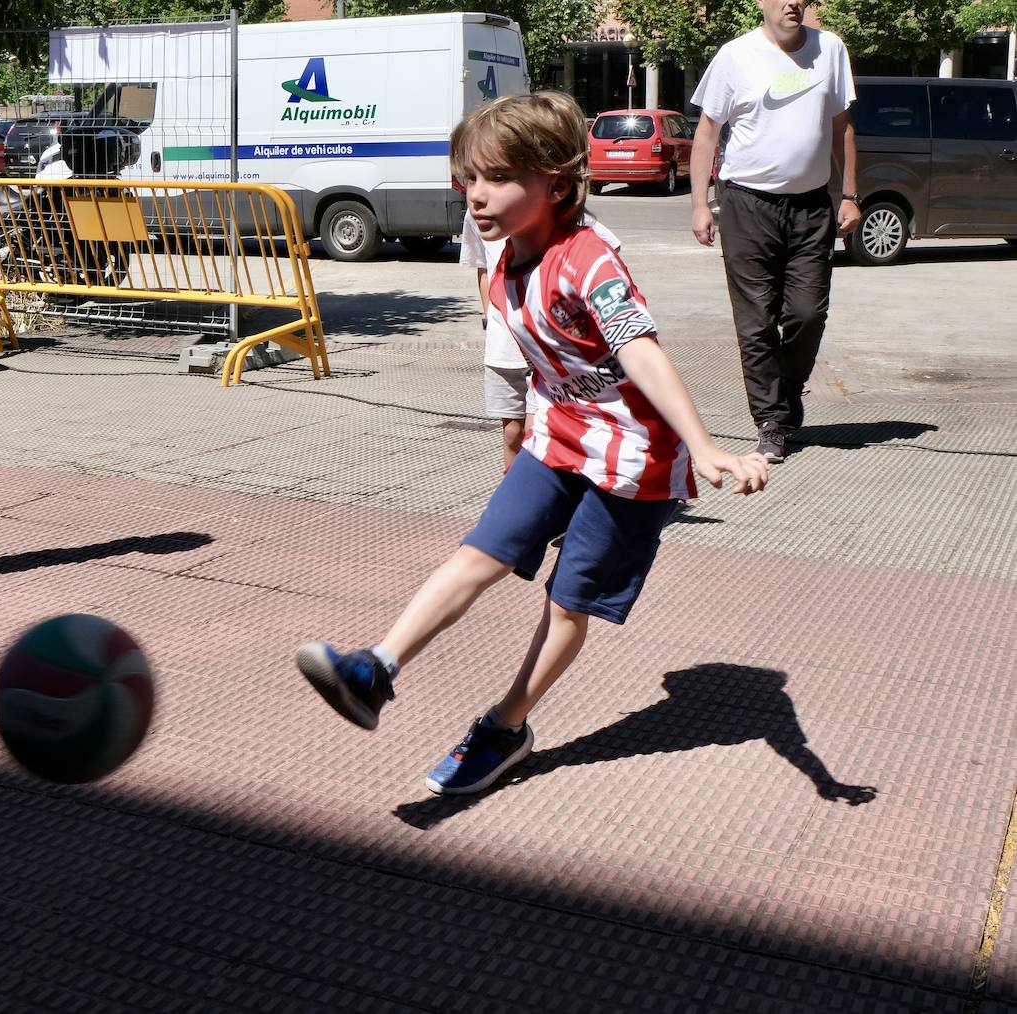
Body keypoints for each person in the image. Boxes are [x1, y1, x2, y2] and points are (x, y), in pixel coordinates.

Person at [296, 91, 769, 796]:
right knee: (477, 555)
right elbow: (523, 349)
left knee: (566, 602)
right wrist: (513, 417)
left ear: (553, 182)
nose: (476, 196)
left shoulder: (589, 260)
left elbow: (638, 349)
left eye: (495, 179)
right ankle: (375, 670)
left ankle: (505, 728)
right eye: (469, 179)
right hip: (557, 439)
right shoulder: (504, 256)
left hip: (632, 463)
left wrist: (703, 445)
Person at [689, 0, 860, 463]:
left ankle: (785, 392)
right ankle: (771, 421)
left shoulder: (830, 50)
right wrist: (701, 204)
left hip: (810, 207)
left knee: (807, 312)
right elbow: (708, 132)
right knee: (756, 323)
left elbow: (842, 125)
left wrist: (849, 194)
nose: (792, 3)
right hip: (747, 205)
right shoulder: (735, 55)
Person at [460, 208, 623, 471]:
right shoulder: (477, 213)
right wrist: (489, 317)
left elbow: (608, 248)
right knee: (512, 433)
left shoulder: (546, 207)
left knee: (537, 430)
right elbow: (483, 268)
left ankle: (547, 499)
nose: (479, 189)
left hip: (546, 348)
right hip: (503, 346)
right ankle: (517, 500)